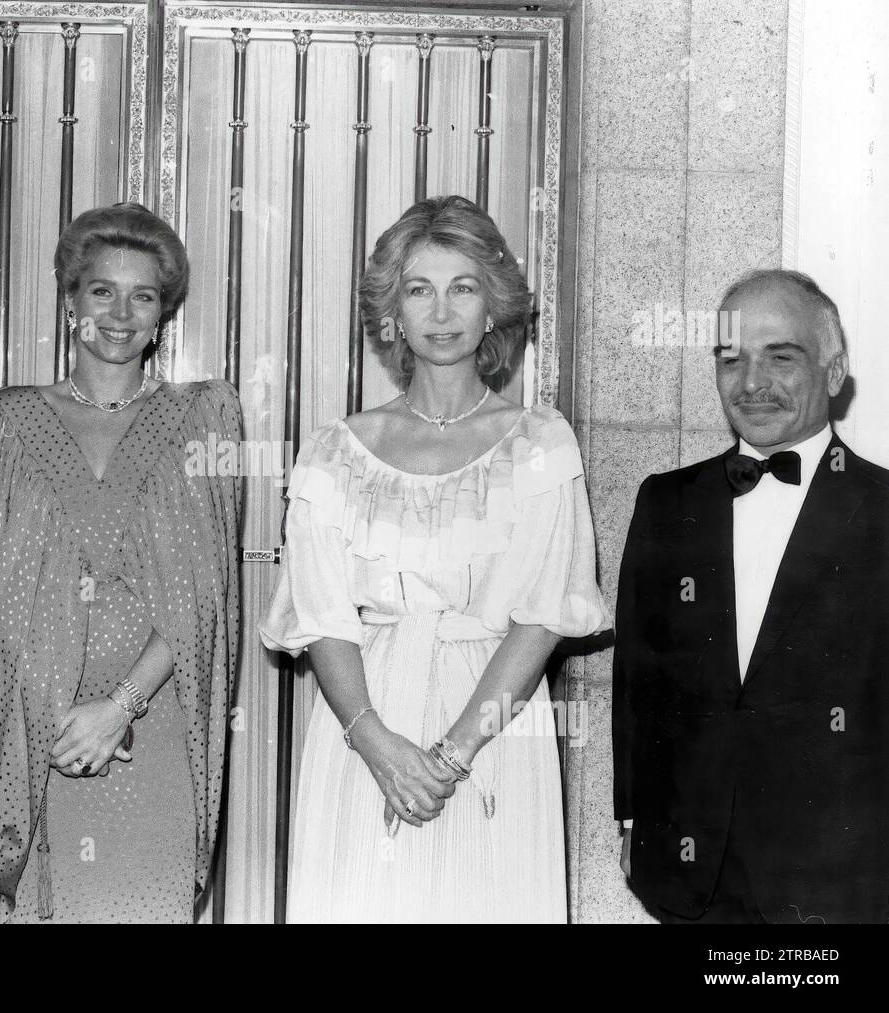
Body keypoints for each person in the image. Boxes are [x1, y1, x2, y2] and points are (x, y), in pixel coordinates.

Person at [259, 195, 608, 922]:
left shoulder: (541, 441)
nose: (442, 311)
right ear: (393, 311)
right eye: (420, 289)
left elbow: (541, 618)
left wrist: (450, 756)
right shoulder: (334, 449)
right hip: (362, 722)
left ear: (494, 308)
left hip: (493, 725)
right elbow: (323, 615)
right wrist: (378, 744)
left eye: (464, 286)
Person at [0, 202, 241, 923]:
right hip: (37, 734)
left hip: (156, 724)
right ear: (70, 297)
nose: (120, 312)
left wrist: (119, 709)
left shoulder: (209, 416)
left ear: (163, 311)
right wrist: (56, 716)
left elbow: (209, 592)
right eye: (101, 290)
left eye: (142, 295)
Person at [613, 268, 889, 924]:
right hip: (692, 875)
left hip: (844, 881)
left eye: (781, 357)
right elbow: (636, 682)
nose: (752, 383)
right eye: (731, 359)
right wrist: (630, 817)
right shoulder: (666, 501)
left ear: (833, 369)